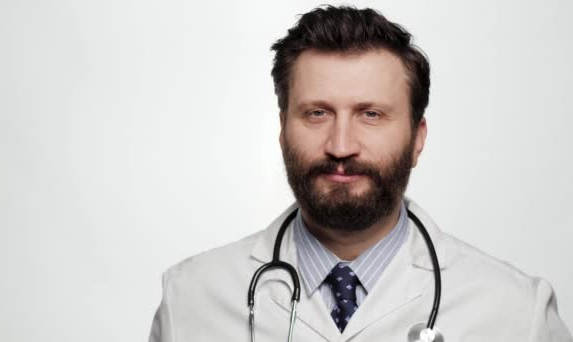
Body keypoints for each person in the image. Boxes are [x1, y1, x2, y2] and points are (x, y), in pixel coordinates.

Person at [148, 5, 572, 342]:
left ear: (417, 138)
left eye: (371, 114)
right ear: (282, 131)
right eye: (317, 113)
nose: (341, 145)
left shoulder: (518, 315)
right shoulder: (191, 301)